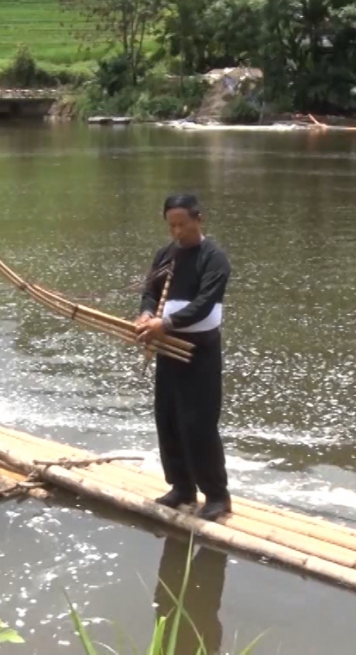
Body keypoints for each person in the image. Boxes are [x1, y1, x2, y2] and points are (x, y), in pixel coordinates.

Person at [135, 194, 232, 522]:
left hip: (198, 352)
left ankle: (217, 495)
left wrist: (167, 323)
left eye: (182, 224)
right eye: (171, 225)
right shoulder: (166, 254)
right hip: (167, 349)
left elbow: (205, 302)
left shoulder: (214, 258)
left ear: (198, 218)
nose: (177, 231)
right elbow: (150, 291)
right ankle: (181, 487)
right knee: (169, 419)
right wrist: (147, 314)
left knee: (199, 424)